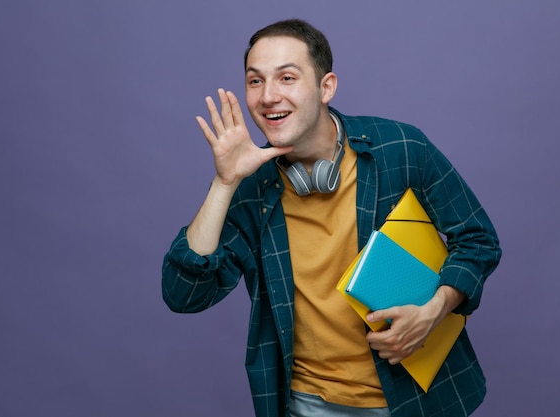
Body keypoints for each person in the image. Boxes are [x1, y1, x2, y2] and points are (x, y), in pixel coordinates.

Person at [162, 18, 501, 417]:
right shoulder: (249, 187)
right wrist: (224, 183)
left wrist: (434, 311)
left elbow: (479, 240)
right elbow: (184, 295)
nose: (269, 96)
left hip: (415, 401)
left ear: (326, 87)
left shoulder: (401, 148)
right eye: (255, 81)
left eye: (287, 78)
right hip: (305, 405)